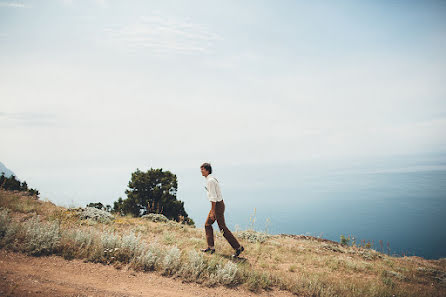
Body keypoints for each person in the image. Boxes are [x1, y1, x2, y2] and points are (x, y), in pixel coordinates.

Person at [199, 162, 244, 258]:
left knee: (220, 228)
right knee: (209, 225)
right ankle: (211, 247)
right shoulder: (211, 179)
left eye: (202, 169)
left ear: (207, 170)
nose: (201, 171)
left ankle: (238, 247)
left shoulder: (210, 180)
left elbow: (213, 197)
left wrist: (213, 211)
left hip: (217, 206)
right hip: (219, 205)